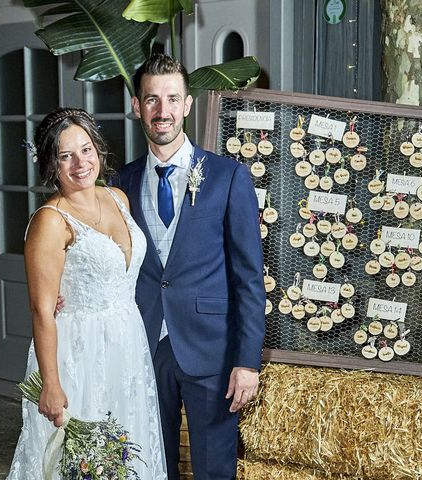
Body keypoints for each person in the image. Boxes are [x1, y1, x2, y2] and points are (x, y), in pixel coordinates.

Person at [112, 54, 266, 479]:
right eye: (152, 100)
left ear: (187, 105)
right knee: (150, 467)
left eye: (172, 99)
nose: (162, 111)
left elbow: (249, 278)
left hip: (212, 352)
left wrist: (247, 361)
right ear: (136, 105)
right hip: (142, 348)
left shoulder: (227, 177)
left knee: (215, 469)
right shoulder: (118, 184)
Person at [6, 107, 167, 479]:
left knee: (127, 449)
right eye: (66, 156)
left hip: (127, 345)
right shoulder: (50, 220)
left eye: (86, 149)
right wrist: (50, 383)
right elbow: (42, 310)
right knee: (78, 461)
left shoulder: (117, 198)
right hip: (78, 353)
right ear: (51, 164)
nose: (80, 163)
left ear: (98, 149)